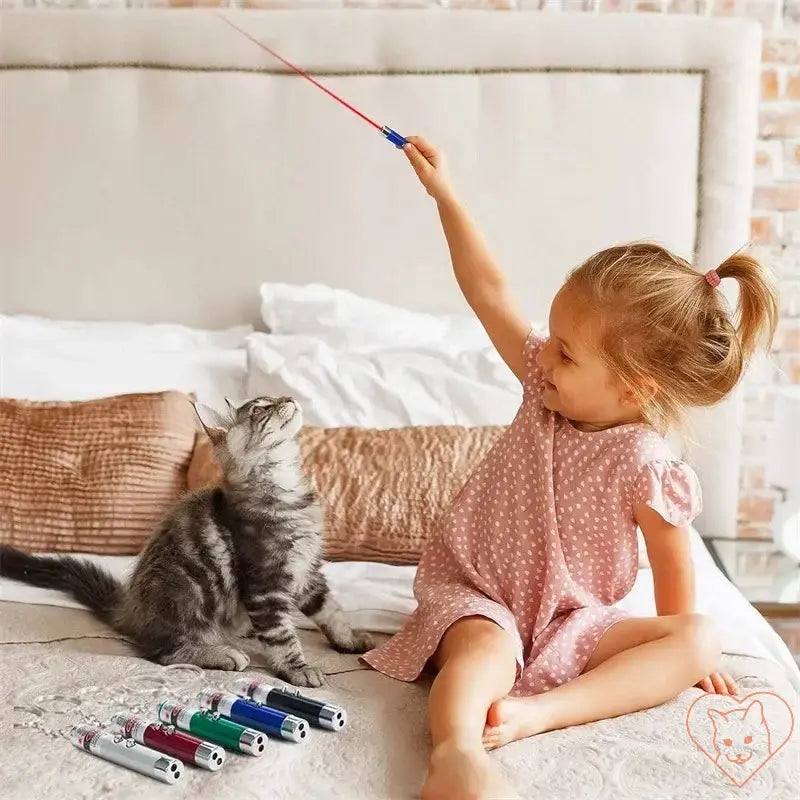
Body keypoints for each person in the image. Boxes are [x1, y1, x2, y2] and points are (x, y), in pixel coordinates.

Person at [360, 136, 780, 800]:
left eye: (566, 353)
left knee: (700, 638)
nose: (544, 357)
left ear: (635, 389)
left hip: (570, 619)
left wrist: (677, 647)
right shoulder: (539, 383)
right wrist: (447, 197)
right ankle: (459, 753)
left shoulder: (648, 464)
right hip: (483, 596)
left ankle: (538, 713)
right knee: (481, 654)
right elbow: (488, 288)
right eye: (551, 341)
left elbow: (675, 566)